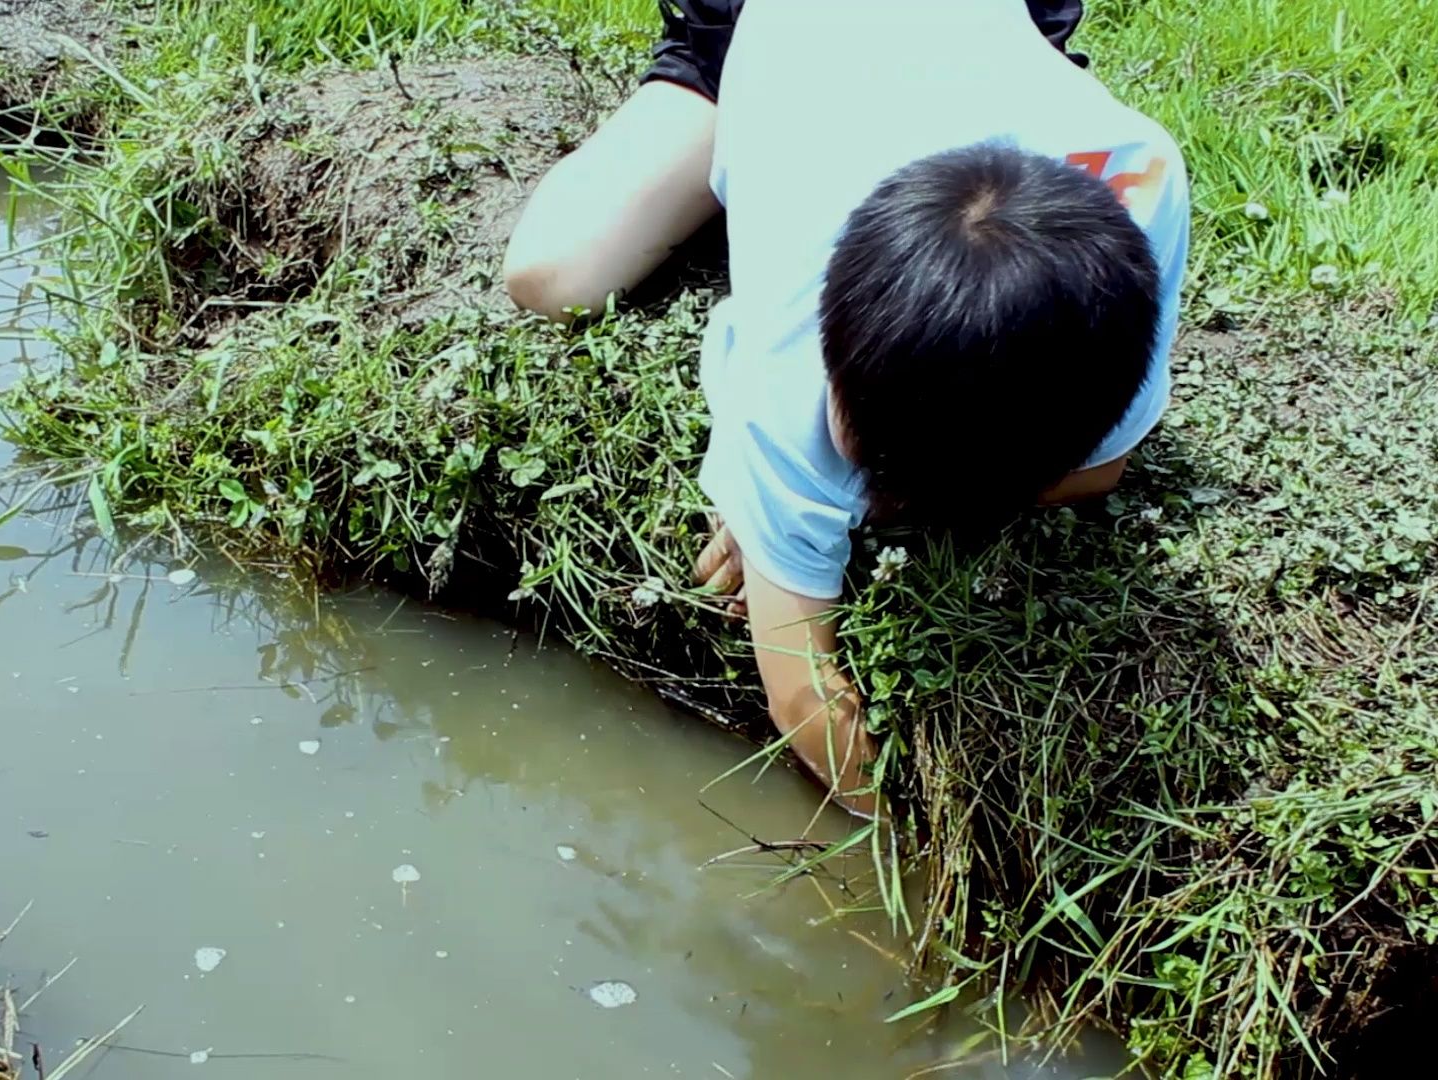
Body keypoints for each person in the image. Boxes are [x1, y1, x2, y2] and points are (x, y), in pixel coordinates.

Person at [502, 1, 1190, 816]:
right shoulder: (792, 355)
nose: (836, 462)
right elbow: (802, 699)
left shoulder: (1145, 182)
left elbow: (1097, 470)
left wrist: (839, 515)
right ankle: (706, 91)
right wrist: (772, 517)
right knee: (549, 275)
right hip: (769, 25)